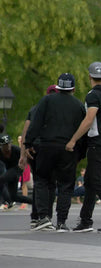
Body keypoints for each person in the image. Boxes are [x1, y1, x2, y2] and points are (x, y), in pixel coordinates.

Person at [66, 62, 101, 233]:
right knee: (90, 181)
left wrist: (73, 140)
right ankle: (85, 220)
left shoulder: (92, 96)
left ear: (90, 77)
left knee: (97, 181)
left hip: (97, 143)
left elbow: (89, 119)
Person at [25, 73, 85, 232]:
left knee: (43, 180)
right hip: (68, 148)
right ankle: (62, 222)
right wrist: (80, 153)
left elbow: (35, 123)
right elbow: (83, 130)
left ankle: (44, 217)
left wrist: (28, 143)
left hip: (47, 146)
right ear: (73, 88)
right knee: (66, 185)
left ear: (57, 87)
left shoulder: (46, 101)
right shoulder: (78, 105)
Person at [19, 85, 58, 230]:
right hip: (50, 148)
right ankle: (45, 216)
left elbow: (26, 131)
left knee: (39, 183)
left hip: (33, 148)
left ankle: (35, 217)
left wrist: (23, 153)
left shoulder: (35, 108)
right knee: (50, 184)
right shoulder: (58, 108)